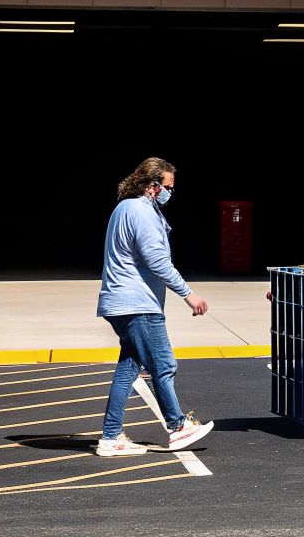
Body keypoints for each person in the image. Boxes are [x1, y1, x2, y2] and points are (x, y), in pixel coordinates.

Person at [94, 157, 214, 456]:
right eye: (168, 187)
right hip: (137, 304)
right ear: (152, 185)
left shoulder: (125, 207)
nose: (170, 192)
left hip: (119, 302)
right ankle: (178, 427)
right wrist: (189, 295)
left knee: (129, 368)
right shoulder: (141, 211)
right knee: (164, 365)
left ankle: (110, 437)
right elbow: (157, 260)